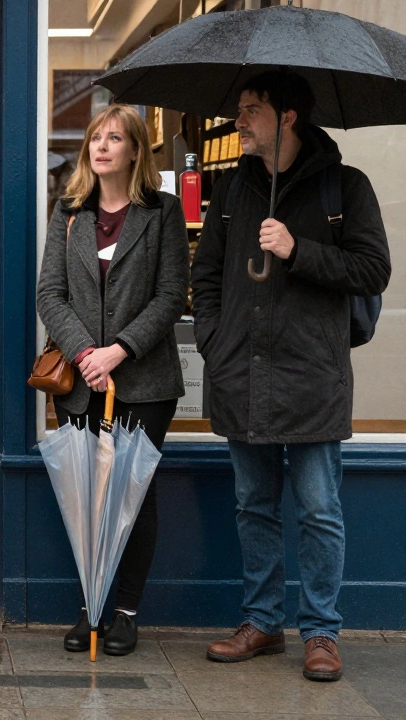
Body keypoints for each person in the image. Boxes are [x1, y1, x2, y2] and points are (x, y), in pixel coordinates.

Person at [193, 72, 391, 682]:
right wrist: (214, 343)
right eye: (241, 109)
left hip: (312, 376)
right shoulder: (230, 191)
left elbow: (373, 269)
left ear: (288, 118)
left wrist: (296, 249)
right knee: (254, 505)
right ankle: (261, 622)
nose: (240, 121)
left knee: (318, 509)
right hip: (242, 372)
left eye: (252, 110)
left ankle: (322, 632)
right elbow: (203, 279)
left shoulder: (345, 186)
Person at [35, 103, 189, 657]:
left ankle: (124, 612)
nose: (101, 146)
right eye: (95, 137)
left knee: (132, 496)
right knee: (87, 498)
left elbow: (172, 295)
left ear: (135, 150)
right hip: (80, 382)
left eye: (115, 137)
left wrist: (117, 352)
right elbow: (48, 293)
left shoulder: (163, 212)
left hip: (144, 382)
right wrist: (84, 353)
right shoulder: (69, 211)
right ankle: (90, 608)